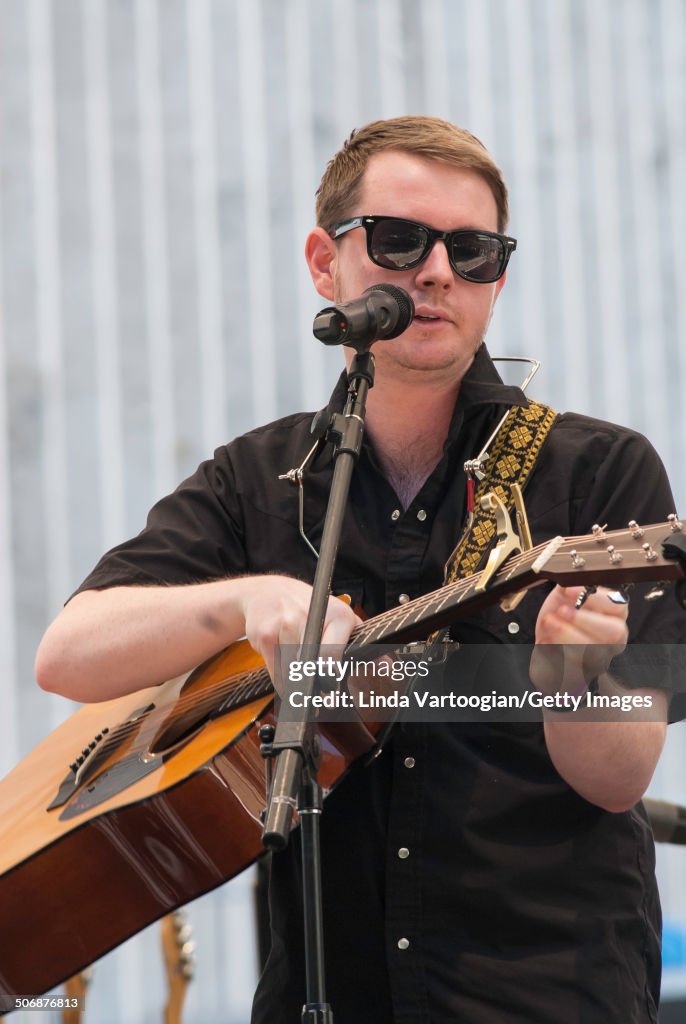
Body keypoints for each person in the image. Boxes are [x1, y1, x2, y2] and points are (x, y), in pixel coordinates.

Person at [36, 116, 685, 1023]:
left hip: (541, 991)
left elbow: (616, 779)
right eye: (400, 240)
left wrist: (571, 668)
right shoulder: (255, 480)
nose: (435, 273)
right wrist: (249, 600)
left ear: (498, 281)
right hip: (324, 991)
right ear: (324, 262)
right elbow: (68, 655)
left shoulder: (597, 474)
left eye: (475, 252)